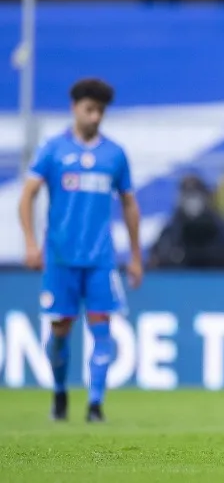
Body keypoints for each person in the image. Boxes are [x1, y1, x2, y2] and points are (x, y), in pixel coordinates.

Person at [17, 78, 143, 423]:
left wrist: (135, 256)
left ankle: (95, 405)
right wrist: (30, 242)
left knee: (102, 327)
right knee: (59, 330)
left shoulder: (114, 154)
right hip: (60, 258)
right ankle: (59, 394)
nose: (95, 117)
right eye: (90, 109)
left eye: (100, 110)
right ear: (75, 108)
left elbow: (130, 205)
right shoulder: (53, 149)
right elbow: (26, 195)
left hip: (100, 259)